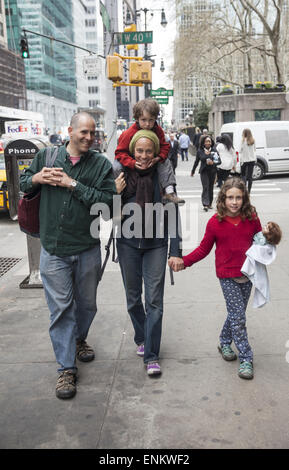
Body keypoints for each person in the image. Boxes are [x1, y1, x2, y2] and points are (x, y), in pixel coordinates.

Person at [20, 112, 117, 399]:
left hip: (86, 247)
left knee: (87, 305)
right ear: (70, 131)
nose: (88, 137)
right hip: (54, 249)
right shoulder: (47, 157)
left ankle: (78, 339)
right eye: (83, 132)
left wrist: (72, 184)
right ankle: (66, 368)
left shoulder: (99, 164)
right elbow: (24, 184)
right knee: (61, 309)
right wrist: (37, 177)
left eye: (92, 133)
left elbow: (109, 205)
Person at [171, 177, 262, 380]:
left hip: (248, 274)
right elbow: (204, 249)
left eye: (239, 197)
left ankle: (223, 341)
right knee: (238, 317)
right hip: (227, 275)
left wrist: (269, 239)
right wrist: (184, 261)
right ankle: (246, 357)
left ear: (244, 199)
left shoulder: (252, 217)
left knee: (235, 313)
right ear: (223, 199)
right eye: (230, 197)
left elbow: (260, 240)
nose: (235, 202)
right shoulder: (215, 222)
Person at [113, 130, 183, 377]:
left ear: (155, 153)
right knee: (133, 299)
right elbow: (107, 215)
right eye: (139, 151)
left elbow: (173, 213)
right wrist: (113, 193)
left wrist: (176, 250)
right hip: (127, 244)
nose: (143, 155)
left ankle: (152, 355)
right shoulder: (122, 175)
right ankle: (142, 337)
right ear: (133, 151)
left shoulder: (163, 176)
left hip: (156, 245)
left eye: (148, 151)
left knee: (154, 301)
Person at [115, 98, 184, 204]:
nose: (147, 124)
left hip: (152, 160)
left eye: (151, 120)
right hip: (129, 160)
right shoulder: (129, 133)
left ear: (155, 118)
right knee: (116, 167)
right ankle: (118, 200)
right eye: (143, 120)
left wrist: (158, 157)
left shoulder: (158, 130)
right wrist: (132, 163)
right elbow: (120, 152)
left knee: (165, 162)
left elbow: (165, 147)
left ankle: (169, 192)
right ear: (137, 118)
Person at [241, 221, 282, 308]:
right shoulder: (260, 235)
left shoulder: (263, 240)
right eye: (266, 225)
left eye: (267, 228)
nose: (264, 227)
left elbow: (258, 249)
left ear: (270, 234)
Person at [193, 135, 221, 211]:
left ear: (211, 142)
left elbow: (219, 161)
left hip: (212, 171)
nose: (208, 143)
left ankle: (209, 203)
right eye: (206, 141)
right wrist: (193, 171)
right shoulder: (200, 151)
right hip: (204, 171)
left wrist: (213, 163)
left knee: (210, 187)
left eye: (209, 141)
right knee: (205, 187)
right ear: (203, 143)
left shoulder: (214, 151)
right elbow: (197, 161)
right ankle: (205, 204)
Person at [239, 128, 256, 193]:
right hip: (252, 160)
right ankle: (249, 191)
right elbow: (254, 149)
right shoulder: (253, 140)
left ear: (244, 133)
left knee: (243, 176)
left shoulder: (243, 141)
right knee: (250, 176)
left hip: (244, 160)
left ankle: (244, 191)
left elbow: (240, 150)